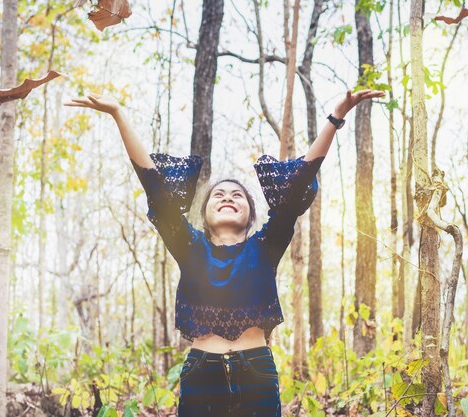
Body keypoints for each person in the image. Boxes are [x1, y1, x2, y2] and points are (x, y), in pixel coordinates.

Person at [65, 88, 384, 417]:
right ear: (204, 215)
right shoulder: (189, 247)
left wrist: (335, 118)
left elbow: (300, 181)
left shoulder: (265, 246)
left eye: (237, 195)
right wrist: (119, 114)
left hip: (257, 372)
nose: (227, 197)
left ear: (250, 214)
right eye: (218, 194)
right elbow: (155, 188)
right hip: (201, 373)